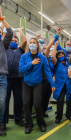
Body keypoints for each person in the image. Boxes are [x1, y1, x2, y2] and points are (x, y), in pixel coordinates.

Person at [19, 37, 55, 134]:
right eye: (30, 42)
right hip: (27, 83)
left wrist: (52, 83)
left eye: (34, 42)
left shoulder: (42, 58)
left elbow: (47, 71)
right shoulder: (24, 56)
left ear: (37, 45)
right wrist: (32, 63)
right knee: (26, 104)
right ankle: (28, 125)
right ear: (28, 45)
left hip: (38, 83)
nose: (32, 44)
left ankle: (41, 124)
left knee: (38, 104)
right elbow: (21, 69)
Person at [2, 27, 27, 130]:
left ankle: (19, 119)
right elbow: (4, 38)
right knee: (5, 101)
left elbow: (25, 40)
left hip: (19, 78)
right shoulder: (5, 48)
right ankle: (3, 122)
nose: (14, 42)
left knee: (18, 100)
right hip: (7, 78)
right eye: (12, 40)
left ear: (18, 42)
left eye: (16, 41)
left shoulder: (21, 50)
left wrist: (20, 30)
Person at [51, 39, 71, 124]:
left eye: (62, 54)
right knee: (60, 101)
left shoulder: (69, 63)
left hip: (69, 84)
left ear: (65, 56)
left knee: (69, 101)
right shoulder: (56, 63)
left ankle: (69, 115)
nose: (61, 56)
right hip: (60, 85)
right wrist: (55, 46)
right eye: (59, 55)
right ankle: (59, 117)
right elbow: (53, 57)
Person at [0, 8, 13, 136]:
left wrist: (2, 20)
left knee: (2, 103)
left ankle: (1, 125)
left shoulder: (3, 44)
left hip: (2, 77)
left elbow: (10, 31)